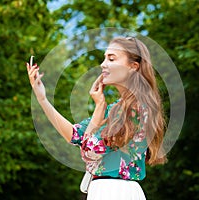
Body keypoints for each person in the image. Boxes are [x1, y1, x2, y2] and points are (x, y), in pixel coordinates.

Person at [26, 36, 167, 200]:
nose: (103, 64)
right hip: (106, 191)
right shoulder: (115, 109)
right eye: (104, 58)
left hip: (116, 192)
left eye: (111, 58)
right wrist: (42, 99)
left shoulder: (136, 108)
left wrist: (99, 108)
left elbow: (90, 151)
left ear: (133, 67)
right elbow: (74, 135)